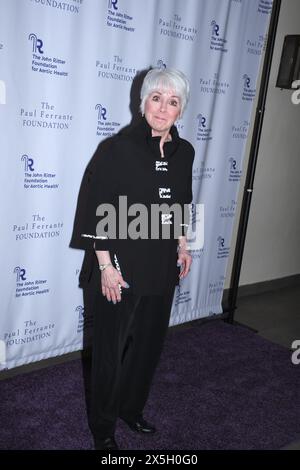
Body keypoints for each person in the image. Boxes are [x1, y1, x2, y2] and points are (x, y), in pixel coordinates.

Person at [71, 68, 195, 450]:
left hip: (161, 265)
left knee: (148, 346)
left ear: (180, 110)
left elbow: (180, 204)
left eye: (172, 101)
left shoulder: (184, 151)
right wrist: (106, 268)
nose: (163, 107)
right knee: (109, 352)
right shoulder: (116, 150)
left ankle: (131, 408)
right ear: (142, 102)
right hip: (119, 269)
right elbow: (97, 211)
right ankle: (104, 429)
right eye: (156, 98)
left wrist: (183, 244)